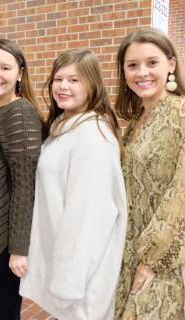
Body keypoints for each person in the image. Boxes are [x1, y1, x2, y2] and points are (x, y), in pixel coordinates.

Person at [114, 28, 185, 319]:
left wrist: (153, 260)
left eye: (152, 63)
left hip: (172, 259)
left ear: (171, 65)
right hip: (133, 250)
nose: (142, 73)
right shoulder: (137, 119)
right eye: (132, 65)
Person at [19, 49, 127, 320]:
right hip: (66, 271)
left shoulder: (92, 137)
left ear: (92, 85)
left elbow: (86, 217)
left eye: (74, 80)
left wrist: (67, 283)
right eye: (58, 79)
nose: (63, 87)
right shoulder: (65, 127)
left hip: (81, 280)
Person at [0, 39, 44, 319]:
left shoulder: (21, 114)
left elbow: (26, 185)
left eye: (5, 67)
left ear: (20, 73)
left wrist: (19, 250)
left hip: (4, 244)